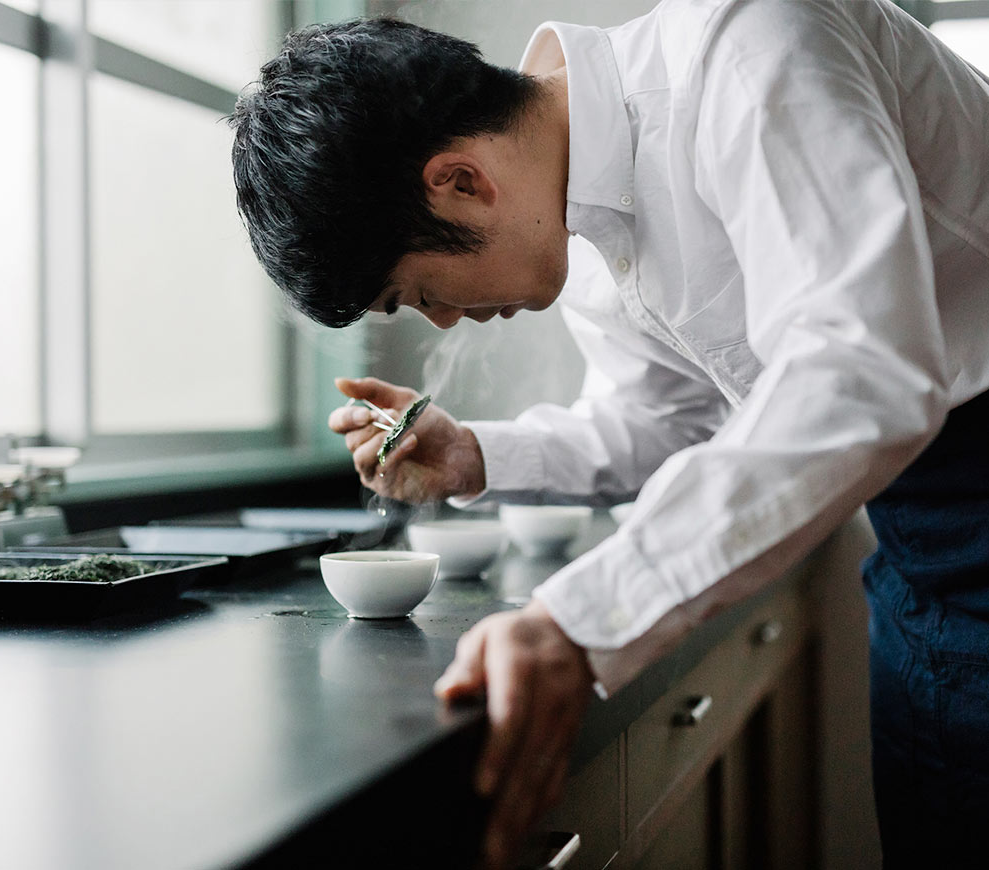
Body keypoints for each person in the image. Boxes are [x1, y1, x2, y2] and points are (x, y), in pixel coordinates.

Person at [230, 2, 989, 867]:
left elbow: (863, 372)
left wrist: (577, 622)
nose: (444, 321)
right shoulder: (583, 227)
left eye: (417, 291)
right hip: (918, 538)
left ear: (459, 182)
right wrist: (474, 453)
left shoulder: (749, 47)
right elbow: (666, 420)